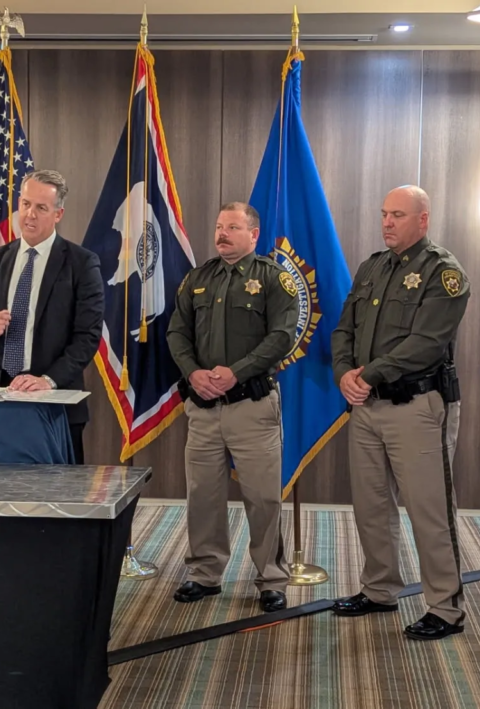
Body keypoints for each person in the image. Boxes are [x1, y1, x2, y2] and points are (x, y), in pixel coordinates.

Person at [330, 185, 470, 640]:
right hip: (366, 405)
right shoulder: (372, 267)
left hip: (417, 406)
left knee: (430, 511)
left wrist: (367, 374)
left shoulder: (443, 272)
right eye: (384, 214)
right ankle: (379, 589)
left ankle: (445, 608)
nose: (387, 222)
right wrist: (344, 373)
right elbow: (344, 329)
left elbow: (426, 343)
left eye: (398, 215)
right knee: (371, 505)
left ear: (423, 219)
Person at [167, 202, 298, 614]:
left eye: (233, 227)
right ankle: (205, 573)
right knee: (203, 495)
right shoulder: (198, 278)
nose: (222, 234)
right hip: (203, 407)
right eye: (219, 226)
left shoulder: (273, 278)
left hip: (252, 407)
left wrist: (236, 373)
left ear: (254, 235)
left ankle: (271, 579)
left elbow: (282, 337)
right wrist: (193, 373)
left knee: (262, 498)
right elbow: (177, 332)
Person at [0, 169, 104, 465]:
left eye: (41, 208)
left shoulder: (81, 263)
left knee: (59, 490)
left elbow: (87, 337)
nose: (30, 215)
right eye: (25, 204)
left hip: (53, 404)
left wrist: (47, 380)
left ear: (58, 214)